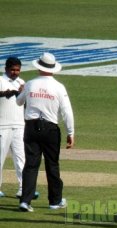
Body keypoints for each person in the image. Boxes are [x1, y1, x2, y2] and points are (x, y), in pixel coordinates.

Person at [16, 52, 75, 212]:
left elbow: (18, 101)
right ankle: (55, 201)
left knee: (31, 164)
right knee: (52, 164)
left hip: (31, 127)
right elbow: (67, 112)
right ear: (53, 69)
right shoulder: (58, 87)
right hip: (50, 128)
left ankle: (25, 201)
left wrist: (24, 91)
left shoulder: (30, 84)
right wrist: (71, 133)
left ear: (39, 67)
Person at [0, 57, 37, 199]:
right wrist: (11, 92)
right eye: (12, 70)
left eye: (17, 70)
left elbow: (27, 104)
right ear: (6, 69)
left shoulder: (23, 83)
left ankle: (24, 189)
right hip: (2, 125)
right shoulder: (1, 81)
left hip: (19, 125)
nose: (15, 72)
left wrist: (23, 93)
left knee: (21, 158)